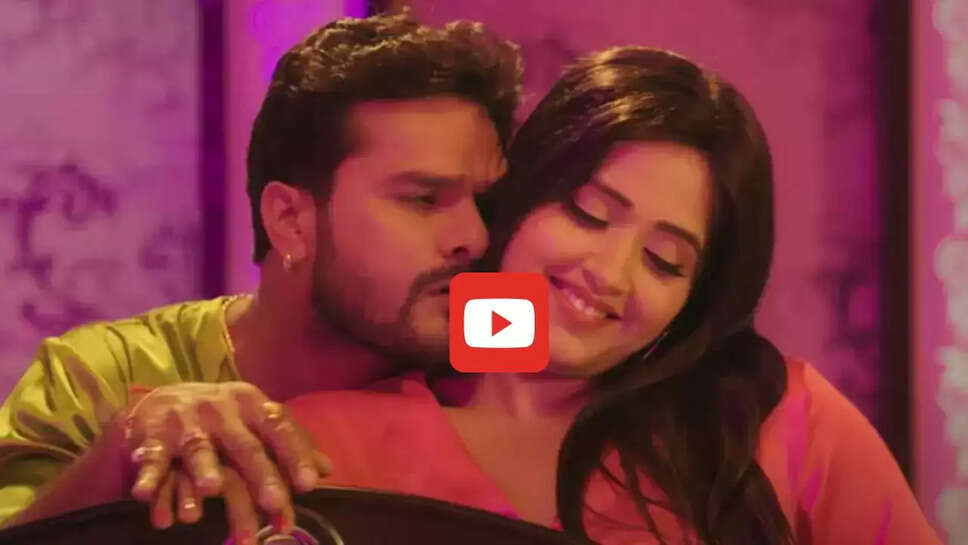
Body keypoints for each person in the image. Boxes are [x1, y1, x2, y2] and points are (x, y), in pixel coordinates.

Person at [281, 46, 941, 544]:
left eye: (663, 261)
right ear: (521, 196)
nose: (610, 273)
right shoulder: (324, 439)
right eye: (588, 214)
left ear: (693, 303)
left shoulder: (783, 421)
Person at [0, 12, 522, 545]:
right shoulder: (98, 376)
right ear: (290, 220)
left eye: (484, 203)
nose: (475, 237)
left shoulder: (495, 350)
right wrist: (124, 449)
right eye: (424, 199)